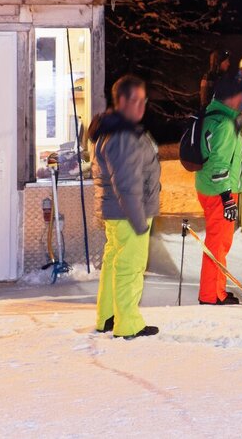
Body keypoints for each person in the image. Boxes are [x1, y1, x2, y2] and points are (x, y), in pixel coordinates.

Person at [90, 75, 161, 340]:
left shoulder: (115, 129)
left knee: (114, 262)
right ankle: (128, 323)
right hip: (129, 212)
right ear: (120, 101)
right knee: (129, 267)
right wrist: (139, 220)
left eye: (144, 100)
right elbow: (127, 184)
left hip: (117, 213)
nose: (141, 106)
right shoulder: (123, 135)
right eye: (135, 100)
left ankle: (107, 316)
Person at [195, 74, 242, 305]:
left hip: (207, 187)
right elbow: (219, 164)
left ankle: (216, 290)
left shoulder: (211, 114)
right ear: (232, 97)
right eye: (240, 94)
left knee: (217, 241)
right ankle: (212, 295)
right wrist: (227, 197)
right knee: (218, 243)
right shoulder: (225, 124)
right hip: (219, 192)